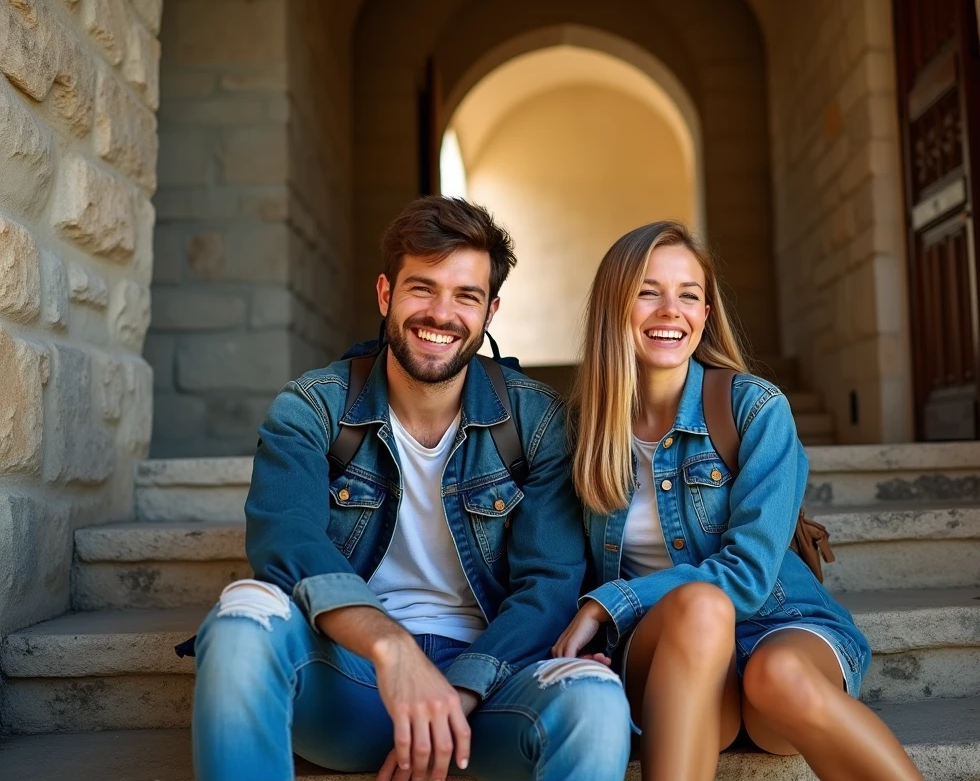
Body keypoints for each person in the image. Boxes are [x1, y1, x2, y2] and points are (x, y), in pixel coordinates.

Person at [191, 196, 631, 781]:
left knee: (597, 697)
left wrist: (458, 691)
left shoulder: (539, 422)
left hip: (488, 696)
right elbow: (285, 540)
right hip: (354, 678)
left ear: (490, 311)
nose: (441, 313)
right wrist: (392, 648)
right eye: (422, 288)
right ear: (385, 295)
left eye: (466, 296)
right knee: (241, 613)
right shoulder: (312, 409)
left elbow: (548, 588)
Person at [553, 221, 922, 781]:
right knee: (700, 609)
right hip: (669, 660)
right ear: (614, 307)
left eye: (689, 295)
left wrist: (612, 600)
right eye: (648, 291)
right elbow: (554, 567)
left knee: (776, 675)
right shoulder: (577, 435)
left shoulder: (756, 410)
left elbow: (749, 575)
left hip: (780, 624)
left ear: (705, 314)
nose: (670, 310)